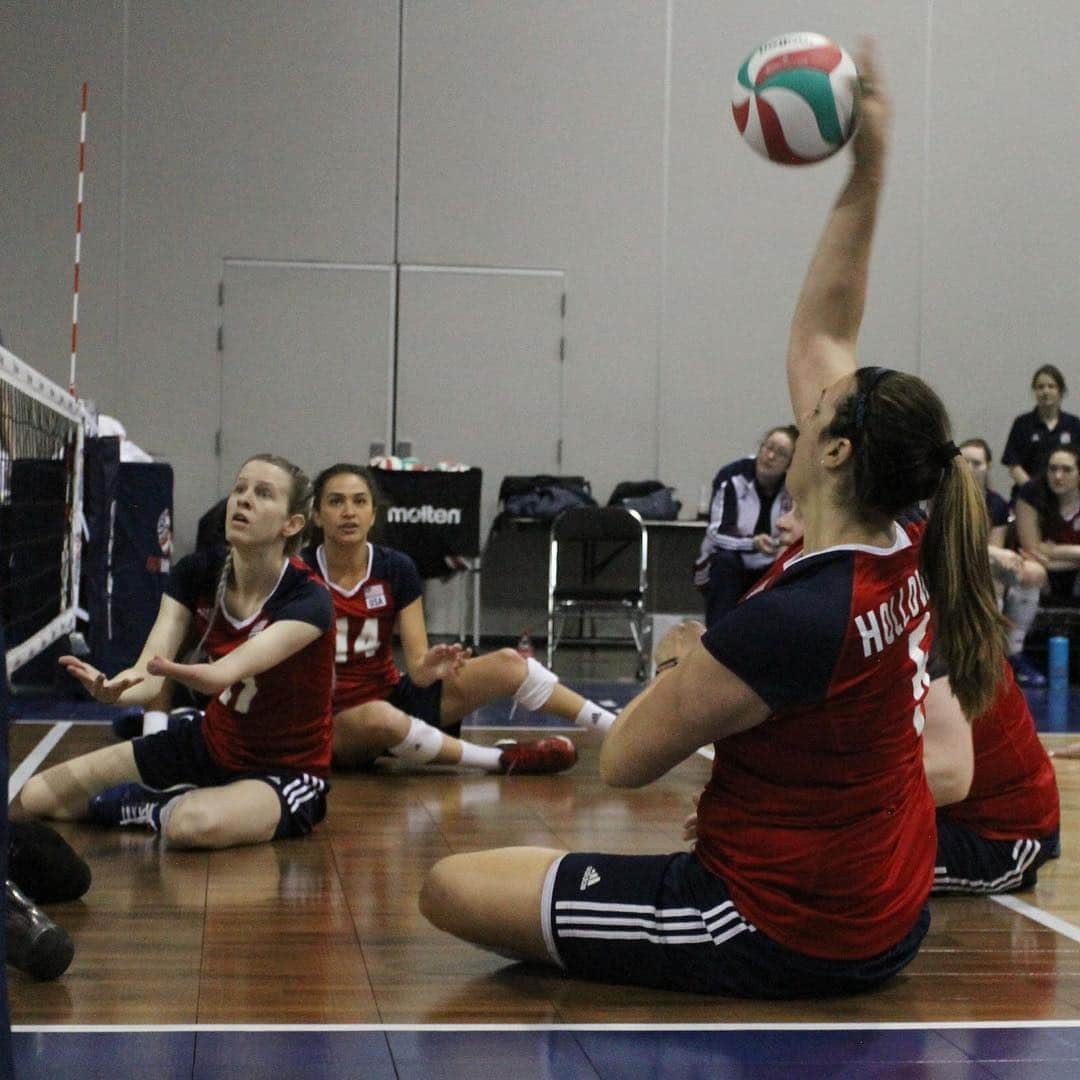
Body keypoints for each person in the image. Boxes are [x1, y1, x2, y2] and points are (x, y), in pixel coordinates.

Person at [418, 43, 1007, 998]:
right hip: (886, 902)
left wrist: (684, 657)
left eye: (819, 407)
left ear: (836, 452)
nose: (805, 392)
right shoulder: (900, 544)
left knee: (451, 887)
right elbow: (825, 331)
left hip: (783, 921)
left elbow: (629, 765)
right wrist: (869, 170)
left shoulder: (796, 614)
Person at [13, 454, 336, 849]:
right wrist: (113, 690)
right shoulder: (196, 572)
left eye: (263, 494)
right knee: (38, 796)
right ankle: (180, 789)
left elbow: (221, 674)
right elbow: (147, 677)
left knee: (192, 824)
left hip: (284, 769)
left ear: (292, 523)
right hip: (209, 742)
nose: (243, 500)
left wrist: (170, 670)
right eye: (240, 488)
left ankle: (150, 807)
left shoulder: (309, 598)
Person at [301, 464, 619, 775]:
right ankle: (500, 759)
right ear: (316, 515)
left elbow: (418, 668)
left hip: (393, 698)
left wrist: (431, 666)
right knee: (379, 717)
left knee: (509, 661)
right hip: (331, 722)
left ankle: (617, 729)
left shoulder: (396, 568)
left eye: (359, 501)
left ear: (372, 514)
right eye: (335, 501)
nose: (348, 511)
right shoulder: (298, 574)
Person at [923, 660, 1059, 894]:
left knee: (854, 864)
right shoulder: (941, 644)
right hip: (966, 812)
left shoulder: (939, 660)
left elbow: (950, 780)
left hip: (999, 838)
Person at [959, 438, 1049, 687]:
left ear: (988, 467)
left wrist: (1000, 556)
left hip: (981, 566)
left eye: (977, 462)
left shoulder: (995, 504)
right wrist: (995, 555)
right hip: (945, 568)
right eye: (964, 461)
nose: (970, 467)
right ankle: (984, 655)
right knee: (991, 574)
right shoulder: (940, 497)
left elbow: (992, 554)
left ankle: (1012, 652)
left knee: (1033, 573)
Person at [693, 426, 797, 626]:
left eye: (781, 453)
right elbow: (716, 533)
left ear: (789, 464)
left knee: (789, 570)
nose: (770, 455)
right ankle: (717, 640)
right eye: (767, 447)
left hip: (768, 563)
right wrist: (753, 543)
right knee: (725, 563)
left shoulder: (792, 486)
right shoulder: (732, 477)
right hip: (722, 564)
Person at [1002, 365, 1080, 499]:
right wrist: (1033, 490)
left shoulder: (1073, 424)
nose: (1046, 391)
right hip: (1029, 497)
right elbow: (1013, 464)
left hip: (1066, 497)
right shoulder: (1022, 423)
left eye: (1051, 386)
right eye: (1040, 387)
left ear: (1060, 391)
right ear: (1034, 391)